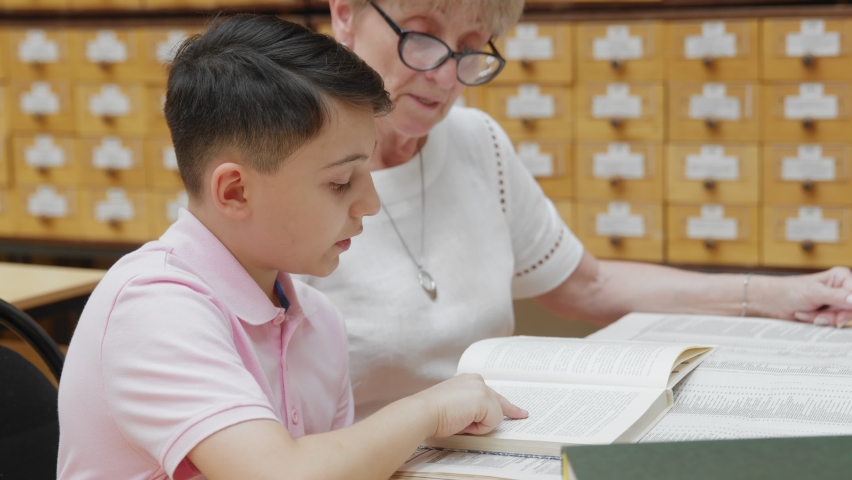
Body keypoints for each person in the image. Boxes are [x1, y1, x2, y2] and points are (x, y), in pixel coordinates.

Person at [305, 0, 852, 419]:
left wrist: (777, 296)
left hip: (487, 450)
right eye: (422, 37)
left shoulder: (477, 142)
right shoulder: (285, 171)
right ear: (346, 14)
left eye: (472, 47)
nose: (447, 76)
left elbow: (587, 285)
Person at [56, 15, 526, 480]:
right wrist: (429, 409)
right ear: (235, 192)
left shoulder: (318, 322)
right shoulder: (153, 306)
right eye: (341, 182)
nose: (370, 203)